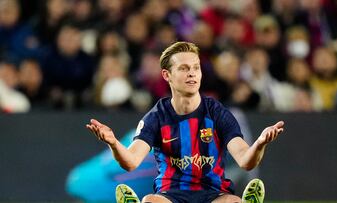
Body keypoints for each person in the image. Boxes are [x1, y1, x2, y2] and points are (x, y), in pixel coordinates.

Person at [86, 41, 284, 203]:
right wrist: (112, 143)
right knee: (150, 201)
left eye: (196, 68)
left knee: (232, 202)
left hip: (213, 194)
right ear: (167, 75)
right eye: (184, 68)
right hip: (171, 195)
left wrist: (259, 144)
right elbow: (130, 162)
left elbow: (245, 161)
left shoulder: (217, 113)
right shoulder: (156, 116)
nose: (192, 73)